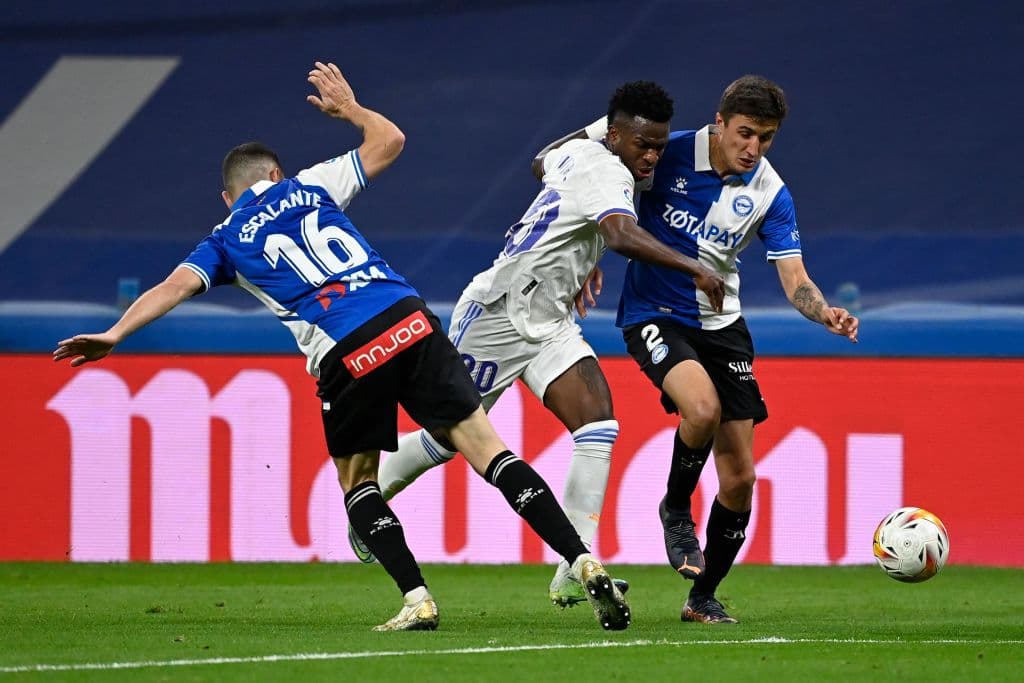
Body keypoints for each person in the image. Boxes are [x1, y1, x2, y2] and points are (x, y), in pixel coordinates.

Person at [52, 61, 632, 633]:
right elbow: (392, 140)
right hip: (409, 316)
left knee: (358, 486)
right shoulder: (310, 185)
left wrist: (114, 334)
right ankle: (581, 559)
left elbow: (173, 287)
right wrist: (350, 110)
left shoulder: (225, 238)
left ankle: (418, 599)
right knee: (490, 451)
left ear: (227, 197)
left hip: (347, 348)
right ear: (275, 173)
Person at [348, 81, 727, 609]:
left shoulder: (577, 151)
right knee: (446, 439)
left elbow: (541, 162)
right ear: (615, 135)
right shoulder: (609, 170)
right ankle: (368, 500)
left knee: (598, 422)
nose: (652, 156)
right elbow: (619, 234)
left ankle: (575, 566)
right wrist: (695, 268)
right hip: (497, 315)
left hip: (549, 320)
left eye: (660, 146)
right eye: (642, 143)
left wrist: (582, 249)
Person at [563, 75, 860, 624]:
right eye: (745, 134)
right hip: (654, 314)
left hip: (723, 327)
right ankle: (677, 509)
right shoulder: (662, 154)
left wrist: (825, 312)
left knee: (741, 478)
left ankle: (702, 597)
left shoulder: (770, 192)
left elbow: (794, 276)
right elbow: (598, 203)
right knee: (701, 407)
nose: (754, 148)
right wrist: (585, 264)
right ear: (718, 123)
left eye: (766, 138)